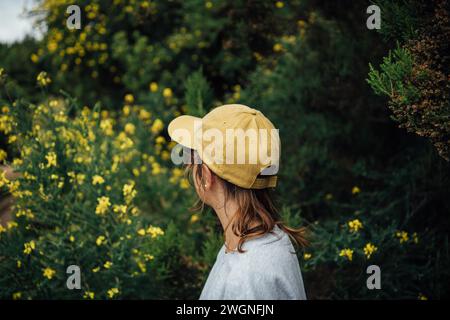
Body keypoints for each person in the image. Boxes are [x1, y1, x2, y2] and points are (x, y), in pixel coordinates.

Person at [168, 104, 307, 300]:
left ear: (207, 177)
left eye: (194, 155)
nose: (188, 163)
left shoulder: (246, 279)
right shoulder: (264, 240)